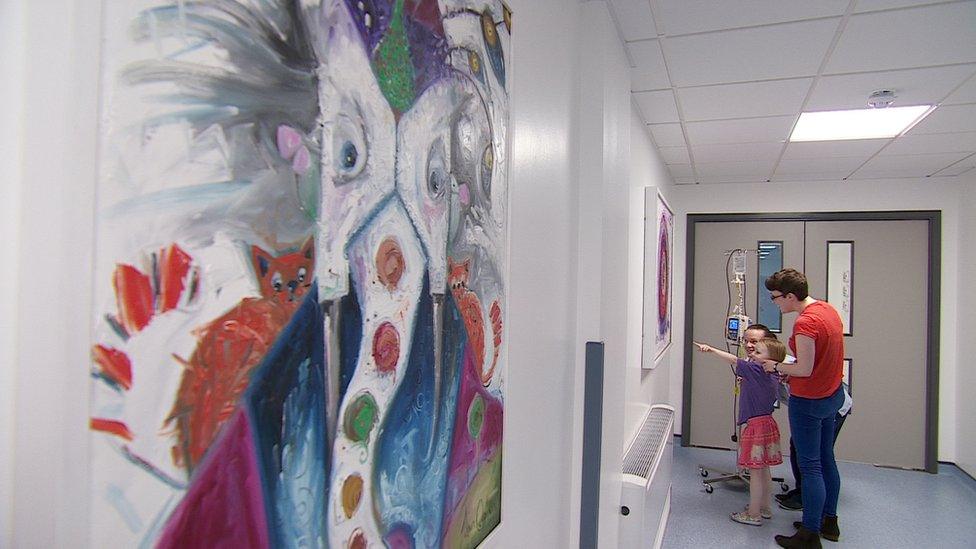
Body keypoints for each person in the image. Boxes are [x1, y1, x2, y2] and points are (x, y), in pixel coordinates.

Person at [761, 268, 845, 548]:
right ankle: (828, 522)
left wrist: (776, 366)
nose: (774, 302)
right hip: (832, 396)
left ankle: (809, 534)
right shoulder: (827, 310)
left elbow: (804, 369)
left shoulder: (806, 323)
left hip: (810, 401)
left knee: (810, 467)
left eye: (776, 298)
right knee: (825, 459)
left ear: (790, 296)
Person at [694, 337, 786, 526]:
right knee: (764, 470)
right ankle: (765, 507)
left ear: (771, 360)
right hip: (768, 423)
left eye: (758, 352)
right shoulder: (773, 374)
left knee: (755, 473)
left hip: (755, 427)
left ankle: (753, 514)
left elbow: (735, 360)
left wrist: (711, 349)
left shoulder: (755, 369)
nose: (752, 352)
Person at [776, 382, 852, 511]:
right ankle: (802, 490)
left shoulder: (790, 370)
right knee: (796, 445)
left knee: (817, 456)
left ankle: (812, 502)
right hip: (814, 405)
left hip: (831, 407)